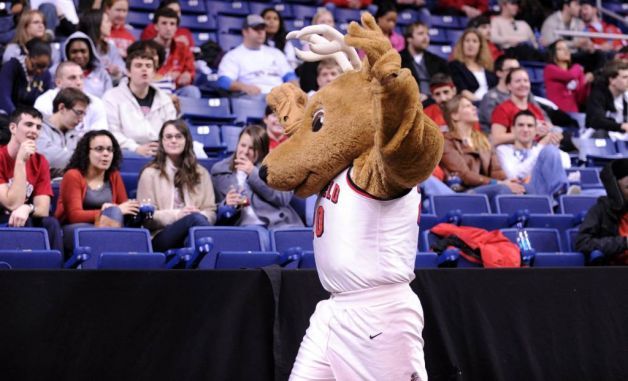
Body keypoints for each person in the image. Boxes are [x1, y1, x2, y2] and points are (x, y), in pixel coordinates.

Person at [136, 120, 216, 252]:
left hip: (194, 231)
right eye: (168, 137)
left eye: (178, 136)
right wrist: (178, 215)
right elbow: (147, 218)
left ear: (187, 140)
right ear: (162, 141)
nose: (173, 140)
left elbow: (211, 212)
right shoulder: (149, 174)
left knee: (194, 235)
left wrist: (200, 214)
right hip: (160, 236)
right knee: (194, 221)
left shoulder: (201, 173)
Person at [55, 129, 139, 253]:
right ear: (86, 152)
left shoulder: (114, 175)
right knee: (112, 216)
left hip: (109, 226)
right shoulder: (73, 175)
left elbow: (123, 207)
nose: (106, 154)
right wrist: (107, 211)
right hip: (75, 228)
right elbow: (74, 216)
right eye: (99, 149)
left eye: (110, 150)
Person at [211, 125, 303, 228]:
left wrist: (253, 173)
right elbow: (214, 209)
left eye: (252, 148)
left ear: (261, 151)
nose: (245, 152)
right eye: (242, 145)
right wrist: (226, 204)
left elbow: (282, 199)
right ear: (237, 145)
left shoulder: (275, 167)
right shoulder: (220, 171)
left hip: (279, 223)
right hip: (245, 226)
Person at [0, 106, 63, 253]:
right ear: (13, 128)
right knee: (21, 220)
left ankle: (57, 273)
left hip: (21, 215)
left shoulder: (41, 161)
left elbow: (43, 209)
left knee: (51, 223)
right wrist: (21, 161)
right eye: (29, 125)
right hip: (3, 216)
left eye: (38, 127)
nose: (34, 131)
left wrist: (27, 208)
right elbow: (11, 203)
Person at [440, 95, 522, 203]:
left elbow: (496, 171)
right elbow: (464, 175)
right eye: (467, 106)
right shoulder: (446, 141)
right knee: (503, 189)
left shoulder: (483, 139)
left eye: (472, 105)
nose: (474, 108)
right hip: (465, 191)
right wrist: (498, 183)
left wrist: (508, 181)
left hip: (488, 187)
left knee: (523, 188)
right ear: (455, 115)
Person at [103, 48, 177, 156]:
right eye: (138, 65)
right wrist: (135, 148)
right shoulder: (111, 97)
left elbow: (172, 131)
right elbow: (111, 132)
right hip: (127, 151)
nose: (144, 69)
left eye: (148, 66)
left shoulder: (164, 99)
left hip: (161, 151)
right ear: (128, 72)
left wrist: (163, 147)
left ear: (154, 73)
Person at [496, 110, 571, 198]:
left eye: (530, 126)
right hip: (521, 192)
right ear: (513, 129)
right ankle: (561, 194)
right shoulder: (503, 150)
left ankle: (561, 193)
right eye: (521, 125)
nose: (525, 129)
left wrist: (554, 146)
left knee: (550, 150)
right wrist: (540, 146)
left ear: (536, 130)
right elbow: (515, 175)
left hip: (545, 190)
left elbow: (566, 164)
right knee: (549, 151)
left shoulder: (544, 150)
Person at [217, 14, 298, 97]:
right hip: (254, 99)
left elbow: (290, 76)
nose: (261, 32)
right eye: (256, 28)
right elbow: (223, 81)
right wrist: (244, 87)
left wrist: (296, 92)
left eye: (263, 28)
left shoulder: (276, 53)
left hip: (280, 98)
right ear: (245, 32)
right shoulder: (233, 55)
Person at [575, 158, 628, 265]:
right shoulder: (600, 210)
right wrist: (624, 242)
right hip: (613, 273)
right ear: (616, 189)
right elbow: (583, 243)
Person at [34, 61, 108, 133]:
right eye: (72, 78)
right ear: (58, 82)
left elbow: (100, 134)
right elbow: (41, 133)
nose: (79, 82)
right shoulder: (44, 101)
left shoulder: (96, 102)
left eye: (81, 77)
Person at [37, 87, 90, 177]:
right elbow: (47, 157)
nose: (81, 119)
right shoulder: (38, 127)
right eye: (78, 112)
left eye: (83, 114)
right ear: (62, 108)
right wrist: (84, 160)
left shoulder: (76, 135)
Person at [491, 67, 550, 146]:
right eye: (518, 81)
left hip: (536, 149)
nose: (523, 84)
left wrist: (550, 135)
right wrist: (531, 132)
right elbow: (496, 138)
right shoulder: (502, 109)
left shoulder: (534, 109)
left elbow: (543, 133)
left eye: (526, 81)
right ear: (509, 86)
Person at [150, 7, 200, 98]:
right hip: (154, 89)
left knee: (192, 91)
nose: (168, 28)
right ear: (156, 26)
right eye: (164, 23)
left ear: (176, 28)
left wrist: (188, 75)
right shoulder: (146, 48)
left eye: (172, 24)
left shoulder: (183, 48)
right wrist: (166, 77)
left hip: (176, 90)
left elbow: (190, 71)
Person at [0, 38, 52, 115]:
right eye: (36, 65)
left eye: (43, 67)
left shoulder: (46, 75)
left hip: (32, 118)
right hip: (9, 115)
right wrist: (18, 117)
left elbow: (47, 101)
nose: (38, 70)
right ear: (28, 55)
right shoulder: (12, 67)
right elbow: (4, 97)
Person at [399, 21, 450, 99]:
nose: (426, 37)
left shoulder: (438, 61)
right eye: (421, 34)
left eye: (427, 34)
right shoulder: (398, 60)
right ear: (409, 38)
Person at [448, 28, 497, 102]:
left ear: (480, 46)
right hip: (470, 103)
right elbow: (462, 91)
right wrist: (480, 103)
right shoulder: (455, 65)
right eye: (467, 41)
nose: (470, 44)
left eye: (475, 41)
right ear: (462, 44)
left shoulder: (487, 66)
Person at [544, 39, 592, 113]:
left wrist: (586, 83)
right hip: (557, 113)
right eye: (560, 49)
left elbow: (581, 98)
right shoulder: (549, 69)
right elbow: (570, 75)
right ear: (553, 53)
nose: (566, 51)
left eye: (567, 49)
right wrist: (578, 67)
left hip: (574, 113)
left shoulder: (576, 72)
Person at [78, 10, 126, 84]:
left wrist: (117, 72)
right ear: (97, 25)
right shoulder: (79, 46)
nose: (110, 24)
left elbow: (123, 69)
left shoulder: (110, 47)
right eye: (107, 21)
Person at [61, 31, 113, 97]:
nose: (79, 55)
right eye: (74, 52)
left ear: (90, 53)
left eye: (83, 51)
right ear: (67, 54)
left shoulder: (102, 74)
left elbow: (109, 99)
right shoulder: (59, 74)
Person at [584, 61, 628, 138]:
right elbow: (596, 121)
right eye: (625, 77)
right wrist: (621, 126)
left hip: (620, 137)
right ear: (612, 80)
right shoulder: (598, 95)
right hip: (598, 137)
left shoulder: (625, 95)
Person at [478, 54, 520, 132]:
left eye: (517, 69)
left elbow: (542, 116)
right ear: (499, 73)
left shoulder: (524, 94)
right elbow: (496, 122)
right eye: (511, 70)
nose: (515, 73)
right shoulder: (489, 97)